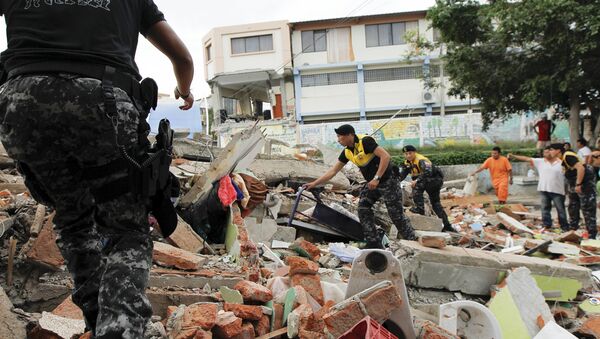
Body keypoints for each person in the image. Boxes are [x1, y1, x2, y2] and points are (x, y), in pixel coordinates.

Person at [0, 2, 194, 338]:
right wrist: (184, 90)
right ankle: (116, 329)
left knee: (72, 218)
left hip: (22, 105)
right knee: (126, 230)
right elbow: (183, 59)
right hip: (101, 104)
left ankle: (95, 317)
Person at [304, 124, 416, 247]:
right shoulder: (347, 152)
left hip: (388, 180)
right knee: (363, 208)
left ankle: (412, 240)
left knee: (396, 215)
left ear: (350, 135)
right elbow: (333, 171)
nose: (338, 140)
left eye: (340, 137)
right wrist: (314, 183)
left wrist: (376, 178)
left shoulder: (366, 142)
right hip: (373, 184)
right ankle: (373, 242)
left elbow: (386, 156)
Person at [508, 147, 568, 231]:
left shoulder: (561, 162)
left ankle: (564, 227)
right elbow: (526, 158)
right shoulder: (540, 161)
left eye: (547, 152)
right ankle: (547, 225)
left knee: (560, 209)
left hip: (557, 190)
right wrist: (513, 156)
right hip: (544, 189)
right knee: (545, 208)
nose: (545, 154)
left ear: (552, 153)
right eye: (544, 153)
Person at [399, 145, 453, 232]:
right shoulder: (407, 163)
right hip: (426, 181)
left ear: (414, 152)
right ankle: (447, 225)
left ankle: (420, 208)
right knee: (436, 204)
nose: (408, 155)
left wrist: (416, 180)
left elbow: (428, 172)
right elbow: (402, 175)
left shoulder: (421, 160)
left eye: (410, 153)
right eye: (406, 154)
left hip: (434, 180)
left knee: (417, 187)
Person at [548, 144, 597, 238]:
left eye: (551, 150)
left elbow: (581, 168)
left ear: (558, 150)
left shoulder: (567, 155)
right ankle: (573, 230)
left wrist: (578, 184)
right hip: (574, 184)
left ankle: (592, 234)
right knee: (573, 206)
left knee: (587, 208)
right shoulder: (562, 158)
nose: (550, 152)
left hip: (584, 184)